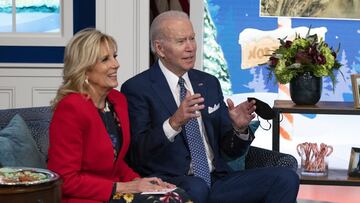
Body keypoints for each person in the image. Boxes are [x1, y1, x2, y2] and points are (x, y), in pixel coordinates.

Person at [121, 11, 300, 203]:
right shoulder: (138, 88)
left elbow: (229, 150)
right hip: (173, 183)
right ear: (160, 48)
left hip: (217, 180)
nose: (191, 47)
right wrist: (173, 123)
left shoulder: (208, 83)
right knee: (196, 187)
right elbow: (138, 153)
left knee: (286, 178)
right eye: (181, 41)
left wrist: (238, 129)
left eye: (192, 39)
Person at [47, 28, 191, 203]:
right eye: (105, 59)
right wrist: (124, 187)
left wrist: (139, 181)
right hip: (85, 197)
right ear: (85, 70)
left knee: (177, 195)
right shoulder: (71, 108)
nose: (116, 64)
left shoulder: (117, 101)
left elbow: (116, 163)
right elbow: (64, 179)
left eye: (114, 56)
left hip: (117, 192)